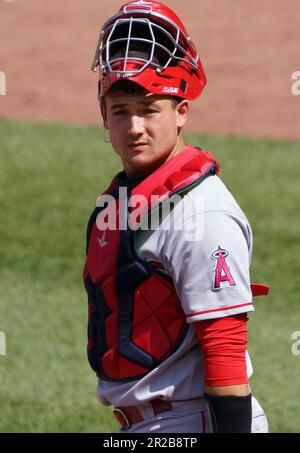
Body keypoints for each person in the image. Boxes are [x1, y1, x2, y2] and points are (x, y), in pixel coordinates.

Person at [83, 0, 269, 433]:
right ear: (103, 116)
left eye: (150, 110)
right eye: (121, 112)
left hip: (196, 423)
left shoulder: (204, 213)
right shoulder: (125, 200)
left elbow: (223, 348)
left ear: (181, 112)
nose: (134, 128)